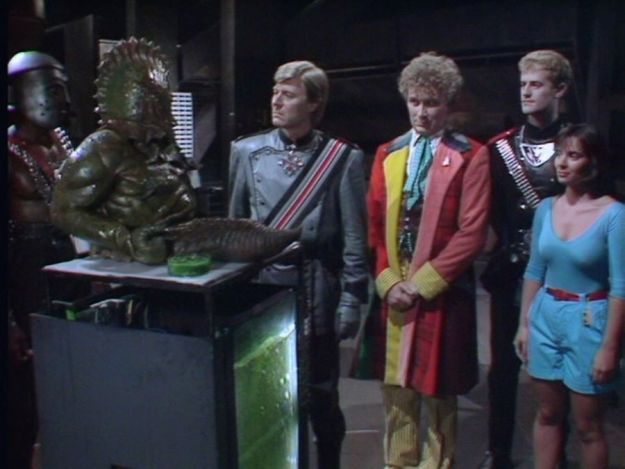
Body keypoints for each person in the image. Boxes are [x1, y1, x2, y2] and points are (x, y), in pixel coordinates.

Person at [228, 60, 369, 468]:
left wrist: (351, 300)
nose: (277, 100)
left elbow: (354, 239)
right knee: (265, 391)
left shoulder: (341, 158)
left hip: (315, 289)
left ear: (313, 103)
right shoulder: (246, 151)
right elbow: (234, 230)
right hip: (263, 288)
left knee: (321, 396)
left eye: (288, 95)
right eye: (275, 91)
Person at [367, 52, 490, 468]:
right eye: (415, 101)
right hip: (394, 287)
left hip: (441, 291)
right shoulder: (388, 152)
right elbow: (374, 226)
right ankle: (397, 463)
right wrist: (388, 281)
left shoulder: (471, 155)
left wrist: (421, 285)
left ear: (448, 104)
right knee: (396, 386)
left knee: (438, 388)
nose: (422, 112)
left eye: (432, 103)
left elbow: (471, 233)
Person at [478, 49, 573, 469]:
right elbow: (488, 211)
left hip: (562, 271)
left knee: (558, 370)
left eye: (536, 84)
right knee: (501, 368)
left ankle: (555, 455)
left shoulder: (576, 144)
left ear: (560, 89)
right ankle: (498, 452)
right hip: (510, 269)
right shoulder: (501, 148)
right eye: (523, 85)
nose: (527, 92)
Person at [514, 123, 625, 468]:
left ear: (592, 162)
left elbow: (621, 286)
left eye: (573, 155)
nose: (562, 162)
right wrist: (524, 325)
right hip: (546, 314)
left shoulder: (613, 215)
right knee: (547, 413)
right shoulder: (546, 208)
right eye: (559, 153)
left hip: (589, 319)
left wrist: (610, 347)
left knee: (588, 426)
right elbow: (535, 270)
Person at [51, 38, 196, 265]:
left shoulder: (161, 143)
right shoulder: (104, 146)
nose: (166, 97)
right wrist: (125, 241)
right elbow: (64, 211)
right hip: (130, 265)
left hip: (181, 252)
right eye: (158, 92)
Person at [7, 50, 77, 469]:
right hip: (24, 278)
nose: (62, 100)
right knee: (24, 404)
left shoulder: (61, 147)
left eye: (63, 89)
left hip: (64, 274)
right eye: (53, 89)